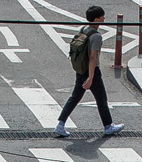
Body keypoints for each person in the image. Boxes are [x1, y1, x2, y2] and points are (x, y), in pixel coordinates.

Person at [53, 7, 125, 140]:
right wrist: (91, 77)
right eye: (102, 17)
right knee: (101, 98)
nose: (104, 18)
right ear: (96, 19)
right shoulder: (96, 36)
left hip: (80, 69)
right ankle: (108, 126)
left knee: (75, 97)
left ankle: (60, 124)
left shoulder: (83, 29)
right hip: (92, 71)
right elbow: (93, 57)